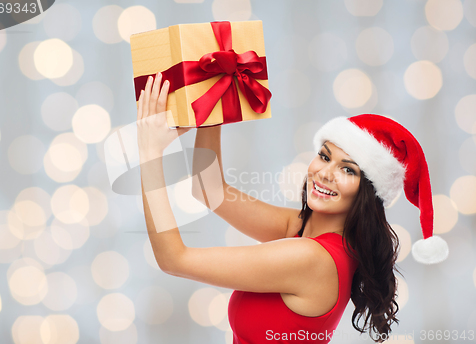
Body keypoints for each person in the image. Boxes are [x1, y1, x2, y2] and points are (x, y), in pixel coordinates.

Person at [137, 72, 448, 343]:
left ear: (367, 193)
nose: (325, 173)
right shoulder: (302, 230)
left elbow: (174, 259)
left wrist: (150, 152)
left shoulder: (311, 258)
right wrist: (214, 104)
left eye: (348, 170)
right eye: (325, 156)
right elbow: (209, 190)